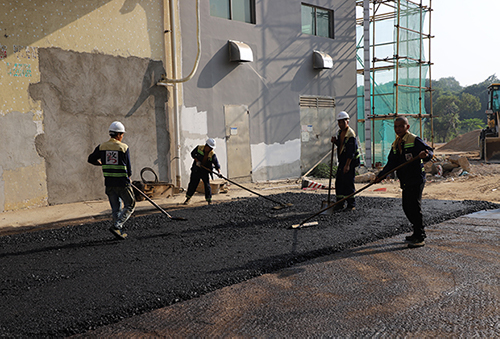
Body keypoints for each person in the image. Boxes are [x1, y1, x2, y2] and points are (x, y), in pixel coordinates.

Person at [372, 117, 433, 248]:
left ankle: (420, 236)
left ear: (407, 127)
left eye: (401, 126)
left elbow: (430, 152)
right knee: (407, 207)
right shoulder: (395, 144)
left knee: (414, 208)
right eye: (396, 127)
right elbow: (391, 164)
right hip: (405, 180)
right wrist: (380, 176)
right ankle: (416, 232)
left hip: (416, 179)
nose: (398, 129)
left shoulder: (414, 140)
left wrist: (425, 155)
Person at [88, 121, 135, 240]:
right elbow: (128, 168)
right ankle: (117, 226)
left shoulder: (102, 147)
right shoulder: (123, 147)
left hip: (109, 182)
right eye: (122, 134)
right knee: (130, 204)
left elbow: (91, 159)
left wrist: (102, 163)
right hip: (122, 182)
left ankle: (118, 230)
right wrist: (129, 178)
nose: (122, 136)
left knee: (116, 208)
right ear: (119, 135)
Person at [331, 111, 360, 211]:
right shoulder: (340, 132)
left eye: (342, 122)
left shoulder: (350, 134)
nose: (340, 124)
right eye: (339, 122)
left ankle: (351, 204)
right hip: (342, 161)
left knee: (348, 182)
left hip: (350, 162)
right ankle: (340, 203)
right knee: (339, 182)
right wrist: (335, 142)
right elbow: (341, 145)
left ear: (347, 121)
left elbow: (351, 152)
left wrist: (347, 165)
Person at [183, 138, 221, 205]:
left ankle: (209, 200)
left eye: (212, 148)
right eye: (210, 148)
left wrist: (219, 172)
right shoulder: (199, 148)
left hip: (205, 171)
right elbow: (192, 154)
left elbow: (216, 164)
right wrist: (197, 161)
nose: (211, 149)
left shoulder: (212, 154)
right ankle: (188, 198)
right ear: (206, 146)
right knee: (193, 184)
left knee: (207, 185)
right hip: (196, 169)